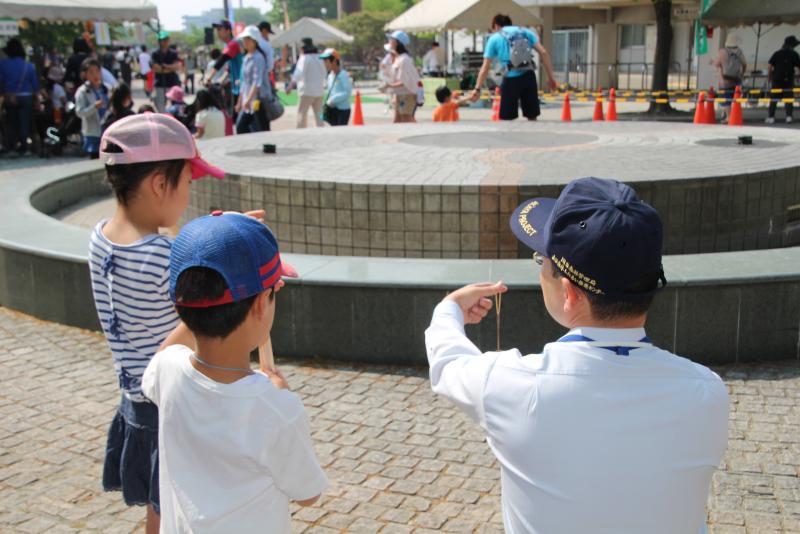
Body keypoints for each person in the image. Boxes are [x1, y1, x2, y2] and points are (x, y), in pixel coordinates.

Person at [425, 177, 729, 533]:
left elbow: (448, 362)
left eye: (541, 259)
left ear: (569, 293)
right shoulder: (707, 392)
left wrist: (450, 309)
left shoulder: (511, 385)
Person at [139, 211, 327, 532]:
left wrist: (202, 295)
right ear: (258, 307)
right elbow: (309, 494)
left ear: (179, 306)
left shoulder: (167, 370)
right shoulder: (275, 408)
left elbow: (162, 356)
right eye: (273, 291)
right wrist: (281, 394)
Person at [88, 113, 225, 534]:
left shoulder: (100, 237)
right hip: (169, 404)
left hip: (133, 401)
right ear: (159, 184)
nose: (188, 194)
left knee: (160, 506)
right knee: (176, 511)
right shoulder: (160, 257)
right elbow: (194, 323)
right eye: (185, 183)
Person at [470, 13, 557, 121]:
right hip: (528, 77)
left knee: (507, 119)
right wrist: (551, 78)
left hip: (510, 80)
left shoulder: (494, 38)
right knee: (532, 116)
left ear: (496, 26)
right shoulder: (525, 32)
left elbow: (485, 67)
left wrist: (477, 89)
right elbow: (543, 52)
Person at [0, 38, 39, 157]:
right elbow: (35, 85)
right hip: (26, 97)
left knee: (11, 123)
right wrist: (37, 98)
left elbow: (0, 82)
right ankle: (25, 148)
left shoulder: (2, 64)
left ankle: (12, 147)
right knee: (24, 123)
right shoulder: (29, 66)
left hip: (9, 97)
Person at [235, 25, 271, 134]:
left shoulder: (258, 58)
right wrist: (240, 101)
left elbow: (257, 82)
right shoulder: (246, 58)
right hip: (248, 100)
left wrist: (248, 99)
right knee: (243, 127)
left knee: (260, 129)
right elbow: (244, 82)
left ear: (254, 41)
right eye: (244, 39)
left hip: (257, 101)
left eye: (247, 39)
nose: (245, 42)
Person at [207, 20, 243, 119]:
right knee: (239, 121)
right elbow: (228, 69)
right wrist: (220, 81)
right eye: (217, 30)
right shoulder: (229, 45)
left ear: (228, 31)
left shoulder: (233, 44)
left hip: (242, 87)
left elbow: (221, 61)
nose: (217, 32)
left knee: (241, 123)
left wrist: (208, 77)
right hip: (237, 88)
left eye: (220, 29)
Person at [286, 38, 326, 128]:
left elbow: (298, 74)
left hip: (306, 91)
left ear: (302, 48)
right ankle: (322, 133)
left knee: (302, 115)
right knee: (319, 117)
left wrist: (290, 86)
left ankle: (301, 135)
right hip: (319, 91)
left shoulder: (304, 58)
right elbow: (324, 73)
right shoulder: (320, 58)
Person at [74, 58, 109, 159]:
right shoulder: (83, 91)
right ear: (85, 74)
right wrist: (94, 107)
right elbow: (79, 112)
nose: (95, 75)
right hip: (92, 131)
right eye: (91, 72)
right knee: (95, 158)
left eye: (97, 71)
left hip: (106, 128)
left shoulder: (105, 88)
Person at [384, 30, 420, 123]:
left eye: (391, 39)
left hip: (406, 95)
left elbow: (404, 82)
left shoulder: (404, 59)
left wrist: (389, 86)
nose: (389, 41)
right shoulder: (399, 58)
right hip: (399, 94)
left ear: (397, 42)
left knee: (406, 119)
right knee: (398, 120)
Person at [711, 34, 746, 121]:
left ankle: (729, 117)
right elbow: (744, 64)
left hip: (725, 80)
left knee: (725, 99)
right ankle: (734, 116)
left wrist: (712, 62)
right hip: (737, 79)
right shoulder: (739, 51)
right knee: (735, 98)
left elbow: (716, 64)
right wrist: (742, 74)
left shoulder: (722, 51)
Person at [766, 35, 800, 124]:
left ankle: (771, 117)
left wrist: (769, 78)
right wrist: (798, 77)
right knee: (788, 98)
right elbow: (799, 67)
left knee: (774, 99)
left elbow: (769, 66)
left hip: (776, 79)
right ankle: (789, 117)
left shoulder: (777, 53)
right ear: (792, 45)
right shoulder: (794, 54)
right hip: (788, 79)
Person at [151, 31, 182, 113]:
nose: (164, 42)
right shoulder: (155, 53)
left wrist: (165, 67)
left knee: (176, 105)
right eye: (162, 40)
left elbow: (177, 66)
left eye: (165, 39)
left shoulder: (173, 53)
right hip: (160, 83)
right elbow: (156, 68)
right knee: (161, 106)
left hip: (172, 82)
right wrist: (169, 68)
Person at [320, 48, 352, 126]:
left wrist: (333, 100)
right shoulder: (330, 75)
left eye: (326, 61)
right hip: (332, 109)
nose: (325, 64)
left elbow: (347, 92)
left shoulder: (343, 75)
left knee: (341, 132)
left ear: (334, 61)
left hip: (343, 109)